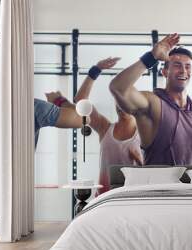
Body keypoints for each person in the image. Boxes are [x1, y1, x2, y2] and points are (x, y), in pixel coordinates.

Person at [47, 57, 143, 196]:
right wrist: (96, 70)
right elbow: (81, 101)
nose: (122, 105)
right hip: (104, 198)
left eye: (126, 101)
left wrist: (141, 164)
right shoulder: (105, 128)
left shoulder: (144, 133)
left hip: (131, 198)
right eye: (119, 100)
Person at [109, 33, 192, 165]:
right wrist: (151, 57)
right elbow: (118, 88)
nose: (183, 71)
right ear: (164, 72)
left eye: (187, 66)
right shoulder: (153, 103)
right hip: (157, 185)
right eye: (176, 65)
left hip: (189, 186)